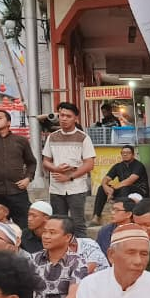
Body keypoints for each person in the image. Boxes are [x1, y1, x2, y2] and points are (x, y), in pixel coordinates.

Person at [41, 102, 97, 238]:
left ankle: (81, 253)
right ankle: (62, 251)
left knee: (78, 224)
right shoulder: (52, 137)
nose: (64, 119)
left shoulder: (83, 137)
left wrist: (70, 176)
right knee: (58, 223)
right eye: (61, 115)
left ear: (75, 118)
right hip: (56, 188)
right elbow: (45, 161)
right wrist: (55, 168)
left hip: (76, 188)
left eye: (68, 116)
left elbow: (89, 164)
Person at [29, 215, 89, 298]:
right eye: (45, 232)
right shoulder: (33, 258)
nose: (46, 236)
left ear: (67, 237)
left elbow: (74, 293)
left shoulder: (77, 262)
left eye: (52, 233)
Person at [0, 108, 37, 227]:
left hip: (17, 191)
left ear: (8, 122)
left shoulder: (20, 141)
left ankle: (22, 245)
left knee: (24, 226)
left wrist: (28, 178)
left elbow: (31, 162)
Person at [95, 146, 149, 223]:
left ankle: (123, 215)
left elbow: (129, 181)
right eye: (123, 153)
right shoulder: (118, 166)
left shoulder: (139, 165)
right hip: (124, 190)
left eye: (128, 153)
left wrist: (112, 190)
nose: (125, 154)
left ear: (133, 155)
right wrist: (105, 186)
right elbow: (106, 178)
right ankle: (96, 216)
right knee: (101, 188)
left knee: (125, 187)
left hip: (140, 191)